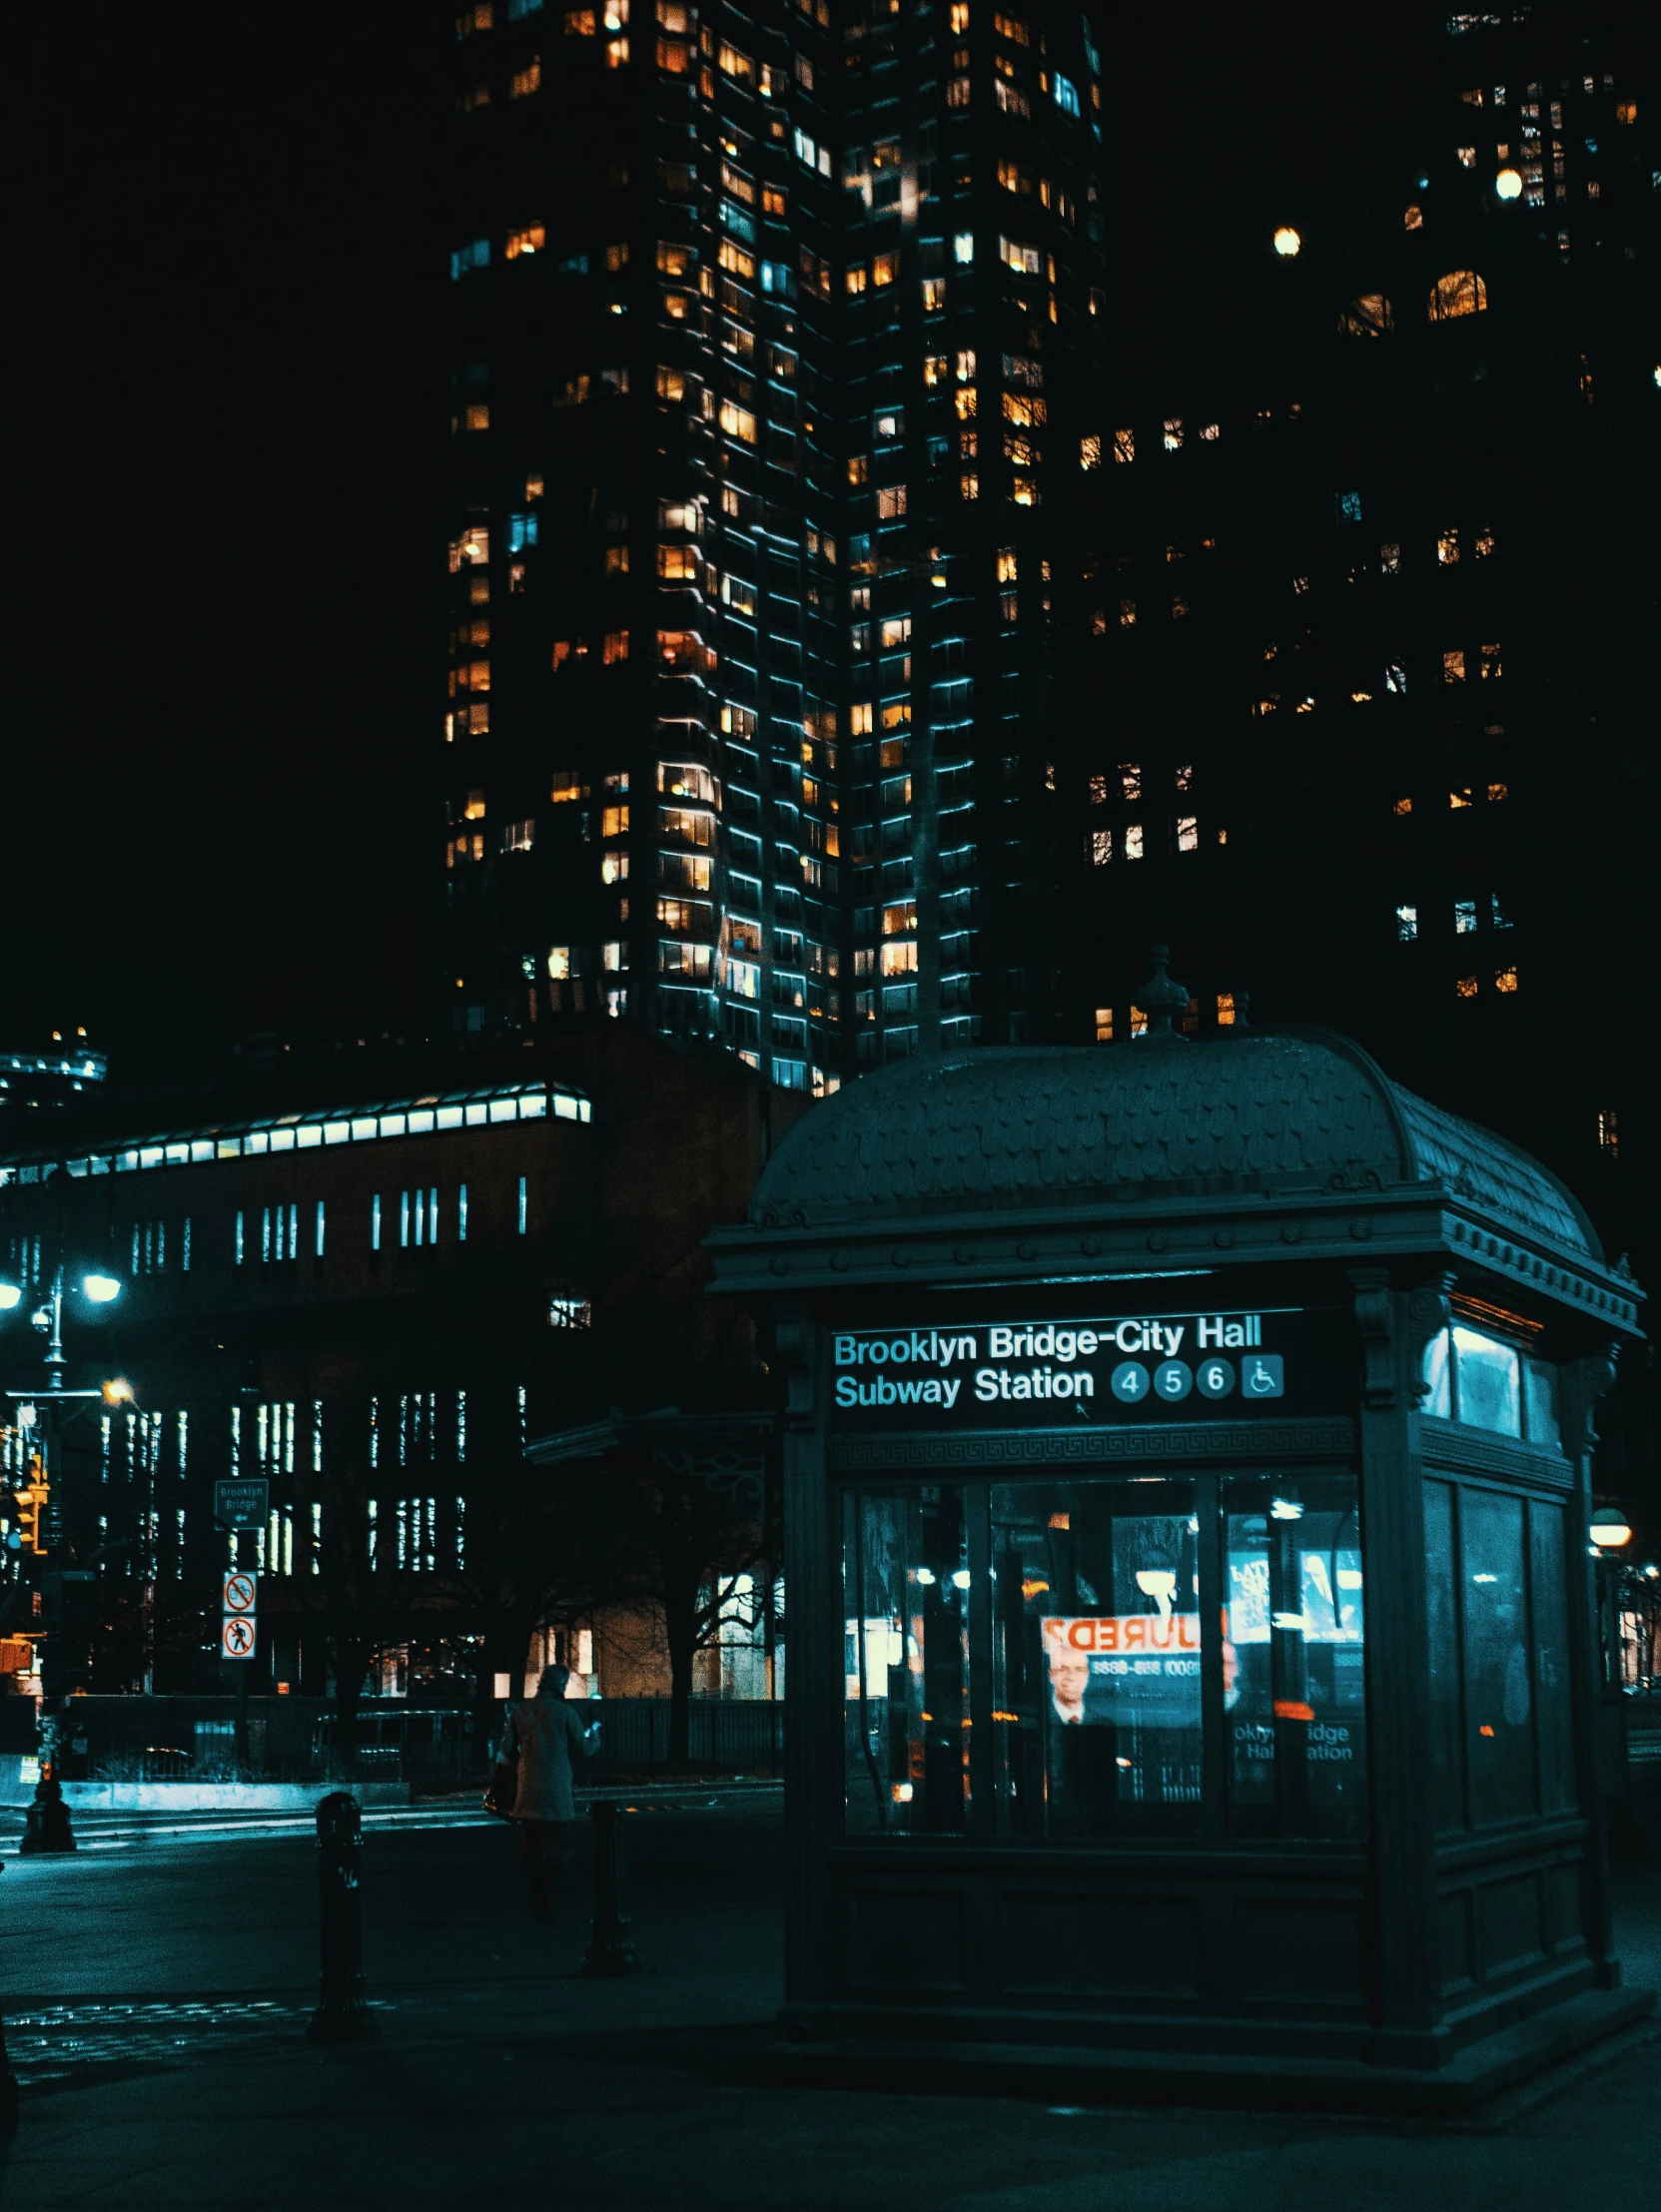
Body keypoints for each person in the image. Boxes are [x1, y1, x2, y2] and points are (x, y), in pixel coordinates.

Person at [496, 1664, 595, 1922]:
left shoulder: (521, 1711)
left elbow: (506, 1749)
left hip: (528, 1787)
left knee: (534, 1845)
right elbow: (583, 1750)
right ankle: (543, 1892)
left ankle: (537, 1891)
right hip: (556, 1789)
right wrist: (595, 1738)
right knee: (560, 1845)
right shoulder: (565, 1712)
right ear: (559, 1684)